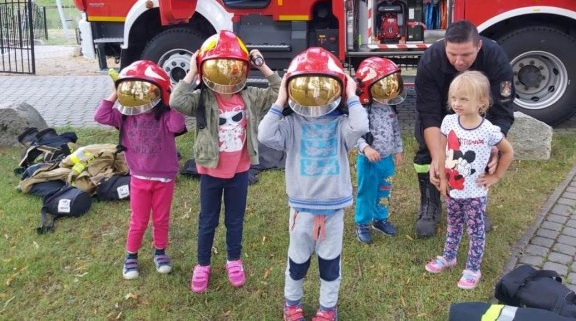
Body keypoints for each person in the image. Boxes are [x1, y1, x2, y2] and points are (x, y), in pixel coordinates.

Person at [258, 47, 369, 321]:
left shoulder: (341, 124)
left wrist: (351, 95)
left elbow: (361, 126)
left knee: (330, 265)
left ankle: (327, 308)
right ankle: (292, 304)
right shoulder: (291, 125)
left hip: (332, 210)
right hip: (301, 211)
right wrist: (281, 99)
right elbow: (264, 134)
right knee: (297, 263)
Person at [169, 30, 281, 293]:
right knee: (207, 220)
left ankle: (233, 260)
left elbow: (278, 92)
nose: (225, 73)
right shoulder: (203, 98)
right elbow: (176, 100)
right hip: (210, 171)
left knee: (235, 220)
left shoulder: (250, 97)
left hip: (239, 172)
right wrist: (192, 71)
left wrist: (262, 65)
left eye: (232, 67)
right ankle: (203, 265)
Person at [414, 19, 514, 238]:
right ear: (444, 46)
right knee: (426, 154)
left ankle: (474, 205)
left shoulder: (496, 57)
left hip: (477, 116)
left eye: (466, 55)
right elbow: (428, 115)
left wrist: (493, 149)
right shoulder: (430, 60)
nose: (459, 61)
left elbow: (503, 112)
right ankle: (430, 204)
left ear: (478, 46)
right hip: (441, 115)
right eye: (452, 54)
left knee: (480, 156)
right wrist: (438, 158)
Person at [94, 60, 186, 280]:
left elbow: (178, 126)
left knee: (161, 219)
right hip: (139, 178)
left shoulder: (164, 115)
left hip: (164, 178)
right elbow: (101, 116)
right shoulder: (124, 117)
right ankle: (131, 256)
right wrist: (115, 93)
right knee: (139, 220)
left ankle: (160, 252)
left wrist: (171, 97)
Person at [424, 70, 514, 289]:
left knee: (476, 231)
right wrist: (443, 180)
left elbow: (508, 152)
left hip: (474, 193)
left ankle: (473, 268)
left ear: (482, 102)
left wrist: (496, 176)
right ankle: (449, 256)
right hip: (453, 188)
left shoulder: (489, 130)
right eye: (454, 98)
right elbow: (444, 151)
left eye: (464, 99)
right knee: (453, 225)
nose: (457, 103)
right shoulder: (448, 122)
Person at [353, 57, 405, 244]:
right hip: (368, 162)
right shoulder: (362, 110)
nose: (389, 91)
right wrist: (366, 148)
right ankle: (363, 223)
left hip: (386, 160)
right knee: (367, 192)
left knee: (383, 191)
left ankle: (379, 218)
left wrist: (398, 150)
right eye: (384, 86)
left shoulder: (389, 106)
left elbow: (395, 130)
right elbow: (354, 133)